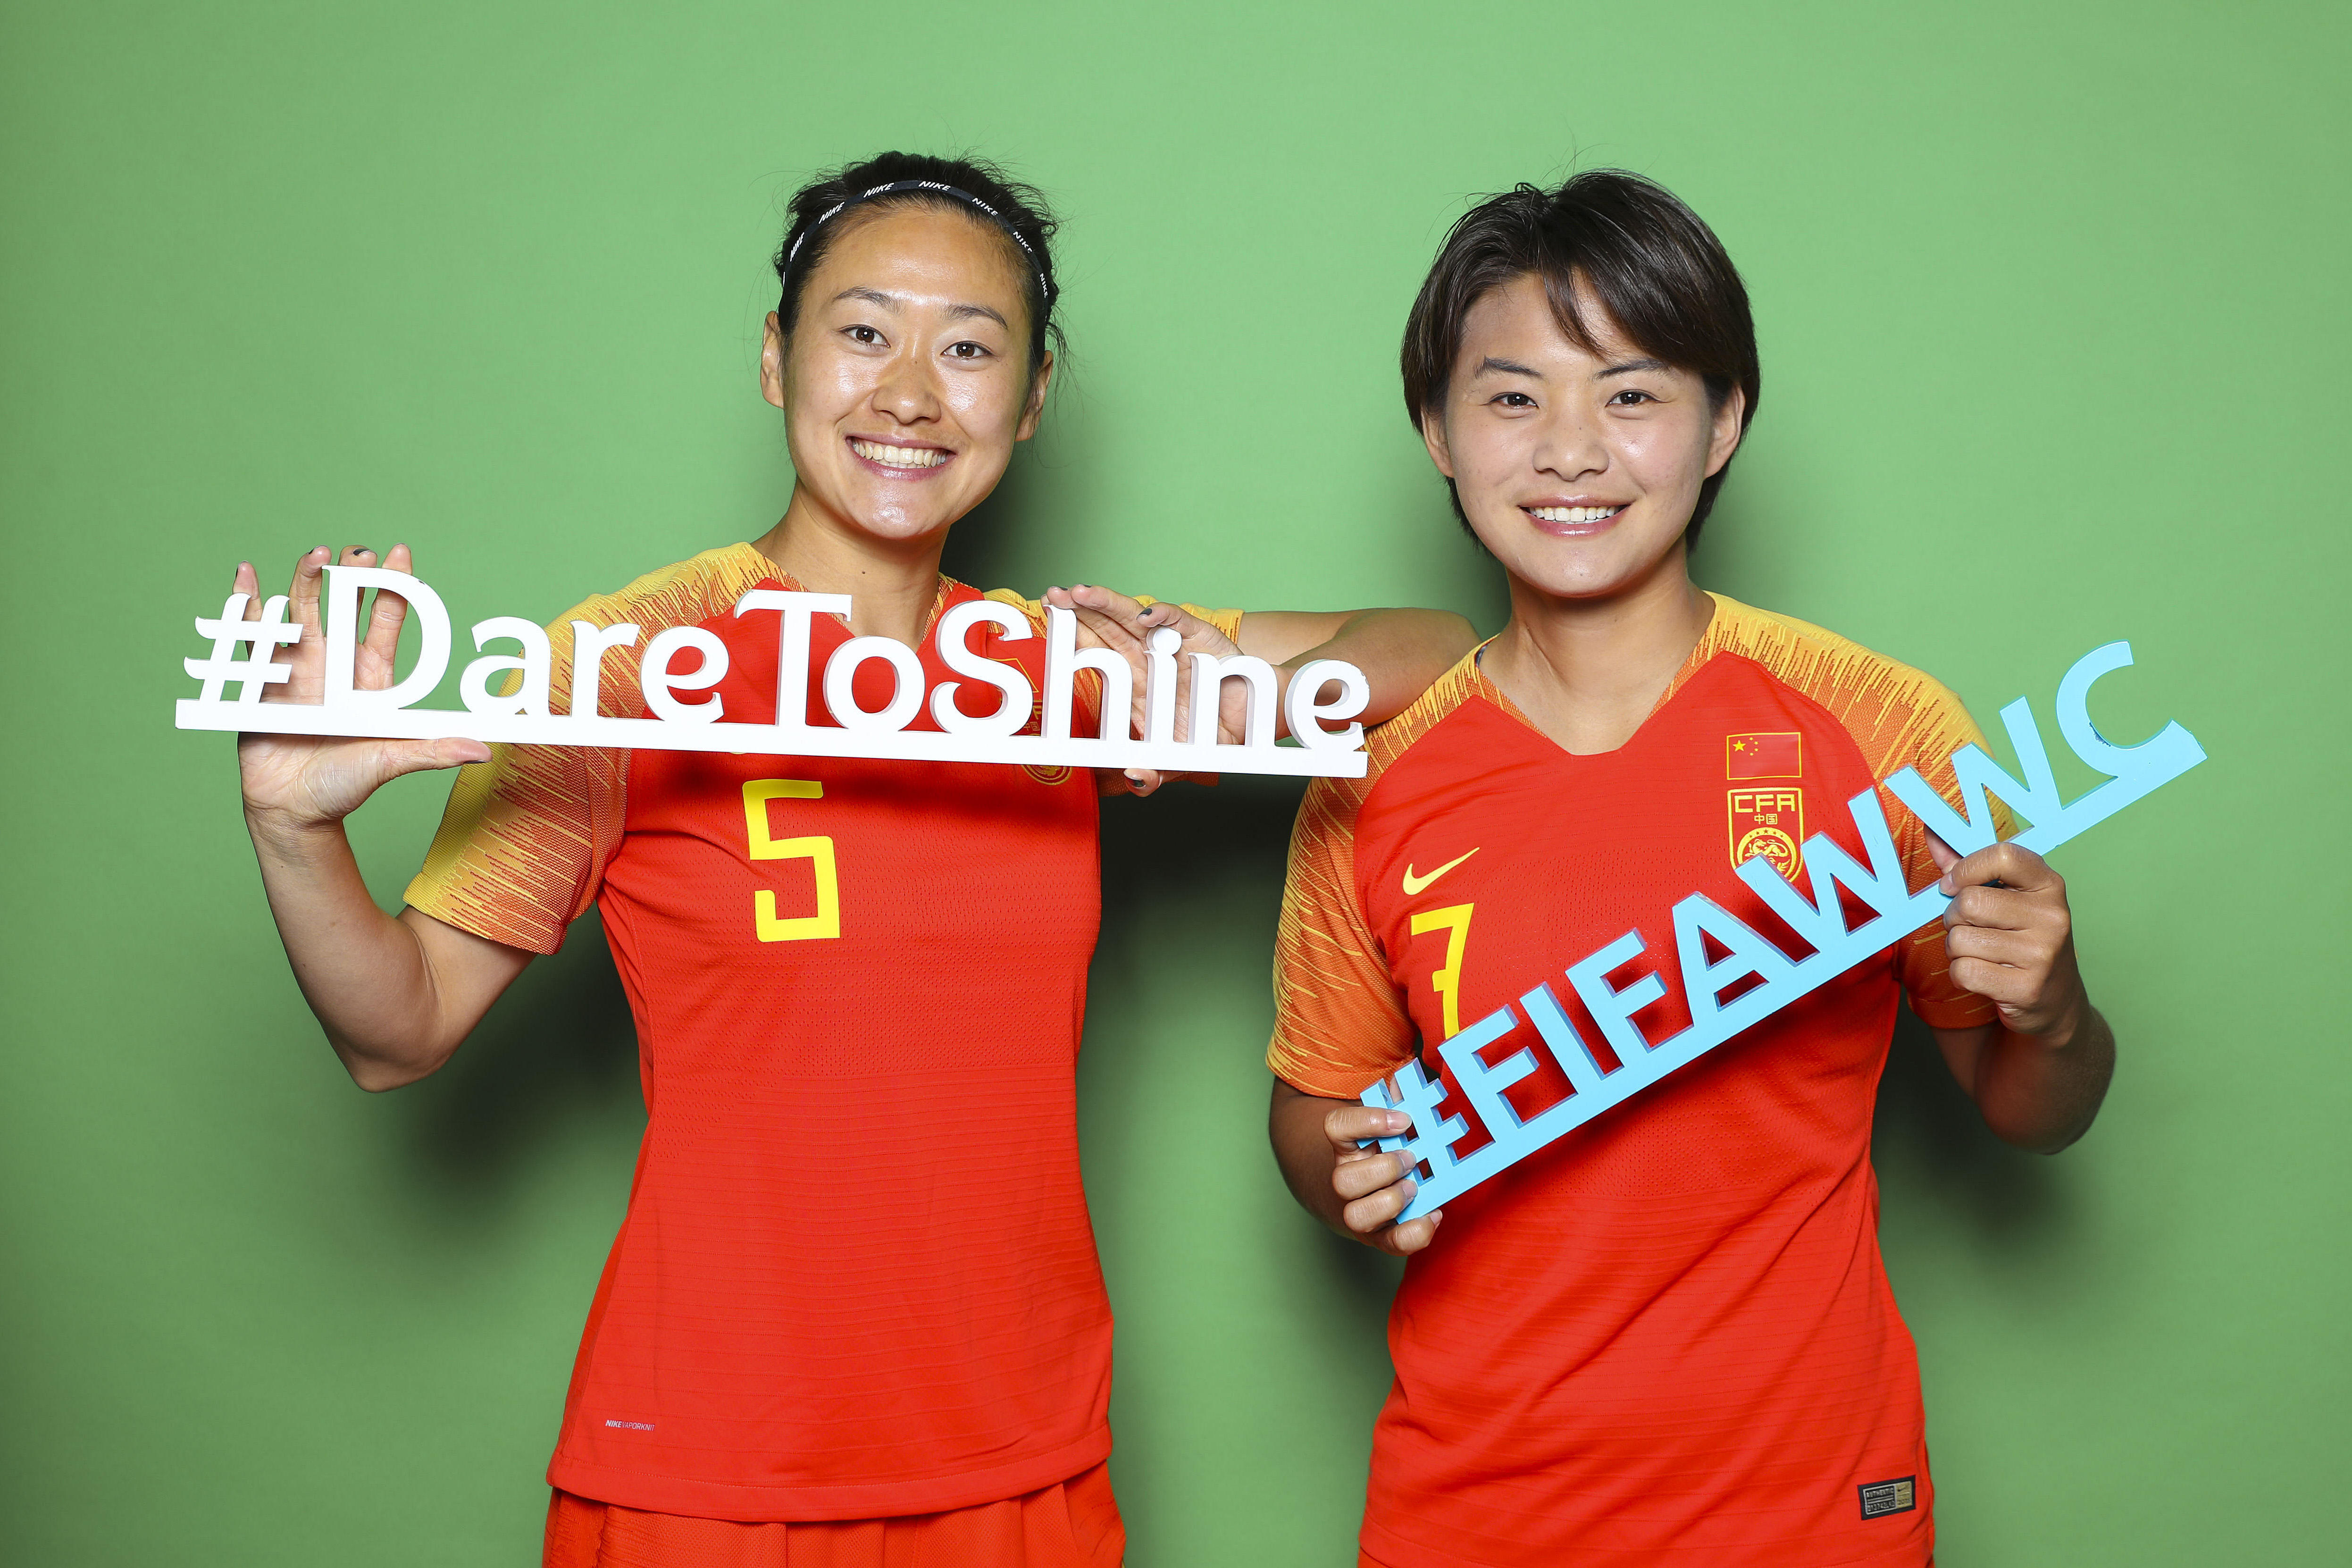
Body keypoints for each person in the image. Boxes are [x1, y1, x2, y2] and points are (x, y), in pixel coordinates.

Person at [226, 151, 1475, 1568]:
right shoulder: (636, 663)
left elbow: (1434, 649)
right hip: (709, 1477)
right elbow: (398, 1029)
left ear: (1032, 398)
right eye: (864, 332)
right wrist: (293, 826)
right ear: (777, 358)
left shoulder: (1060, 661)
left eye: (970, 349)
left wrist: (1244, 700)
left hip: (1022, 1462)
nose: (910, 394)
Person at [1265, 170, 2115, 1568]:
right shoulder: (1374, 777)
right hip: (1472, 1507)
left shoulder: (1881, 726)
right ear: (1437, 431)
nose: (1571, 451)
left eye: (1632, 394)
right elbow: (1316, 1108)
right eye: (1512, 396)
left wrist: (2058, 1012)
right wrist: (1343, 1171)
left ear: (1722, 422)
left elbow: (2031, 1110)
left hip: (1809, 1505)